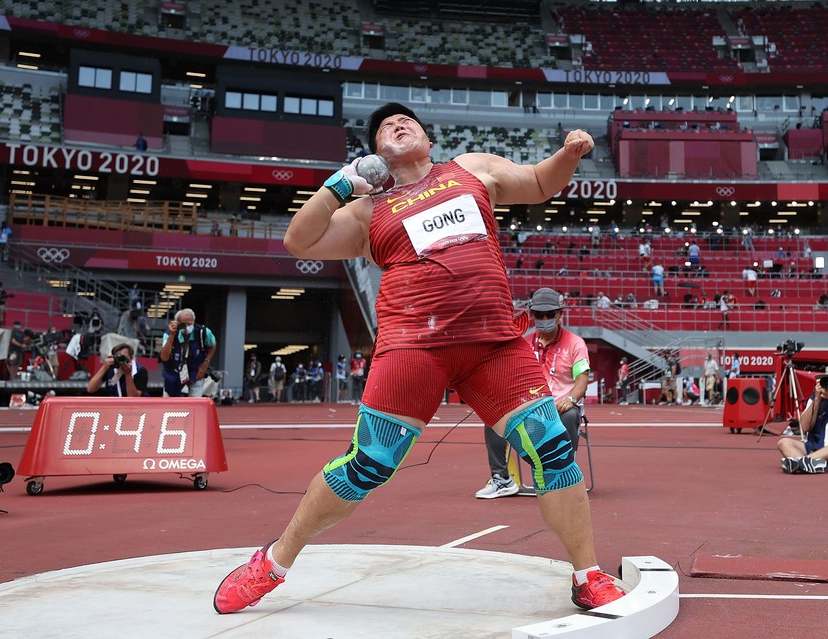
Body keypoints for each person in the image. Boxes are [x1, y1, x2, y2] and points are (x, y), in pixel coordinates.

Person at [213, 102, 625, 615]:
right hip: (413, 349)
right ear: (375, 152)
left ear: (428, 139)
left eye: (406, 121)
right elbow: (301, 241)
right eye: (385, 126)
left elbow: (540, 183)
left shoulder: (472, 168)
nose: (398, 125)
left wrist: (568, 153)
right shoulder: (366, 211)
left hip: (494, 345)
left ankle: (587, 574)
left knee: (552, 450)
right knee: (368, 465)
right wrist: (341, 184)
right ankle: (273, 563)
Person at [476, 287, 590, 499]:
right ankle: (502, 479)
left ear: (559, 314)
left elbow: (581, 382)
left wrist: (571, 399)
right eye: (539, 314)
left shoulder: (576, 344)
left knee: (570, 414)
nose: (544, 319)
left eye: (550, 314)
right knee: (492, 416)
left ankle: (563, 477)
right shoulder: (523, 344)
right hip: (528, 406)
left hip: (560, 406)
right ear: (531, 315)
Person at [159, 308, 217, 398]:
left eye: (189, 324)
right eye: (183, 324)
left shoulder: (203, 332)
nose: (186, 327)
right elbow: (164, 357)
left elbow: (213, 345)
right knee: (168, 400)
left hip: (196, 369)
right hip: (174, 370)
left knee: (195, 401)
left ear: (193, 322)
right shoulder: (168, 334)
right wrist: (172, 336)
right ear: (177, 323)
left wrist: (206, 362)